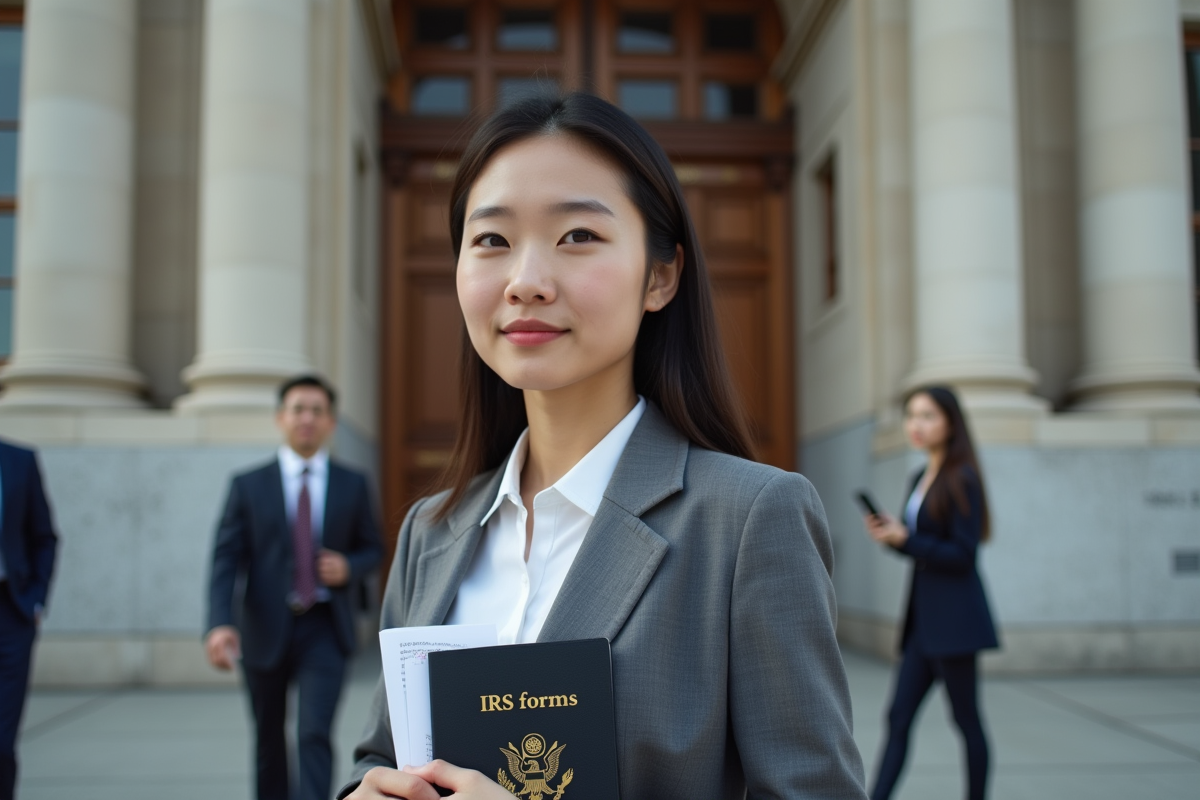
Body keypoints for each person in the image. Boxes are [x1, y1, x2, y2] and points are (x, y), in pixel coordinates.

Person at [339, 92, 867, 800]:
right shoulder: (429, 532)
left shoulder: (748, 522)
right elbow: (379, 754)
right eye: (491, 240)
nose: (526, 282)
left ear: (661, 276)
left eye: (578, 236)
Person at [206, 375, 383, 800]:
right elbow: (226, 557)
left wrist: (349, 566)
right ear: (280, 418)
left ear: (331, 422)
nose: (307, 418)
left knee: (313, 734)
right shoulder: (248, 485)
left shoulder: (352, 483)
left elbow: (374, 548)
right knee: (268, 738)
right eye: (298, 409)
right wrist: (219, 624)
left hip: (326, 625)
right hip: (264, 626)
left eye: (317, 411)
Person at [862, 385, 999, 800]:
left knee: (966, 721)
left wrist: (907, 539)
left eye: (927, 416)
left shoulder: (963, 479)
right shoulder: (920, 476)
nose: (915, 425)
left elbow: (962, 554)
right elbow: (922, 548)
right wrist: (894, 538)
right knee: (898, 716)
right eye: (911, 416)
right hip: (923, 622)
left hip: (955, 621)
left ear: (951, 423)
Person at [0, 439, 58, 800]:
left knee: (2, 742)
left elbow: (44, 536)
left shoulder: (20, 460)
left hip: (11, 611)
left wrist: (36, 599)